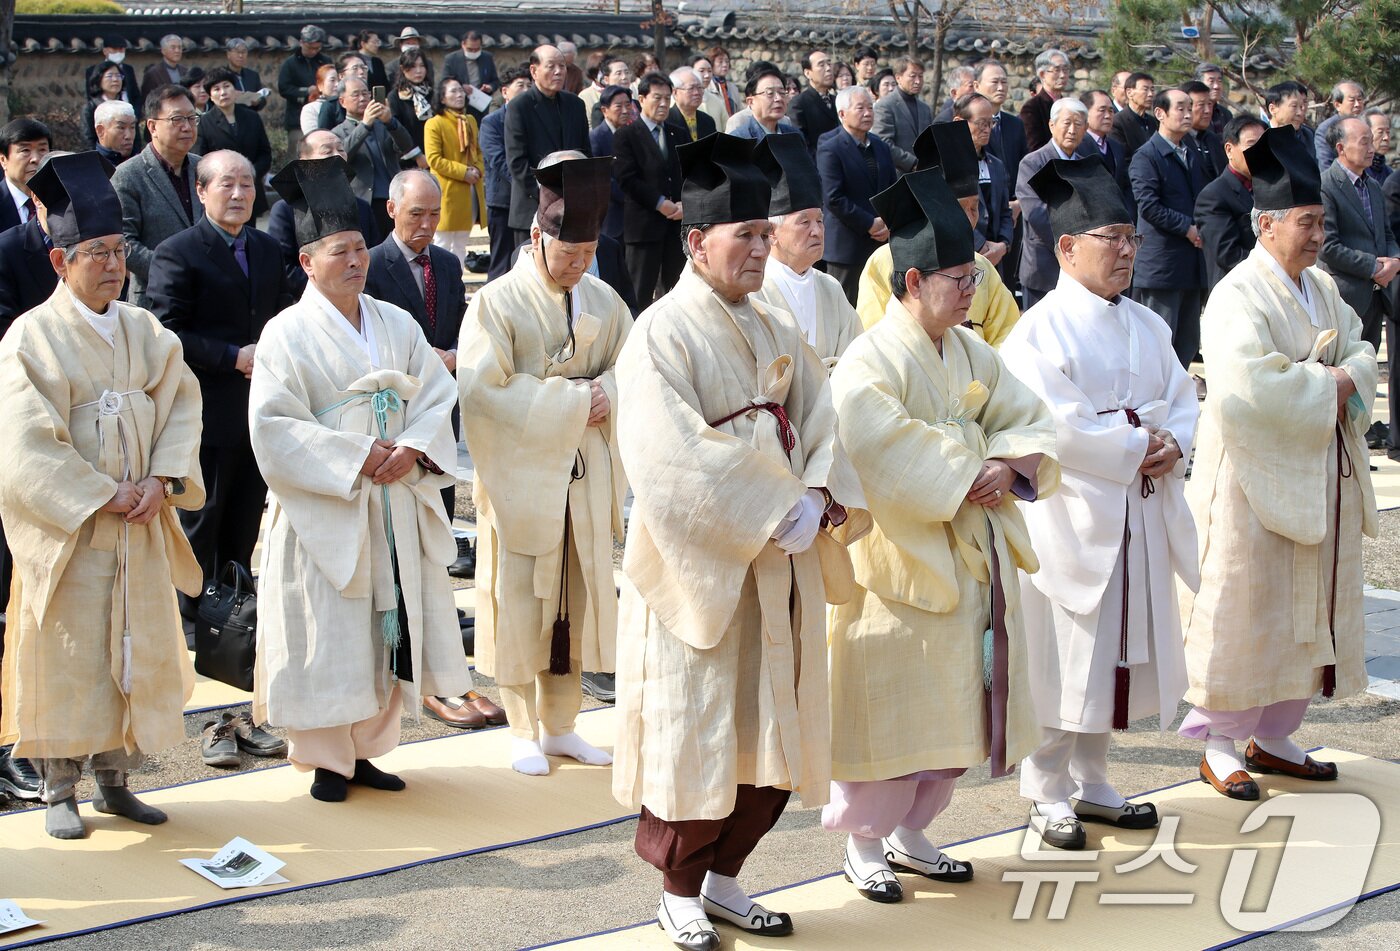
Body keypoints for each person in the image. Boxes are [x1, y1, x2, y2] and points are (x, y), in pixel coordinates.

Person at [612, 130, 868, 949]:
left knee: (771, 723)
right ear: (697, 241)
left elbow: (825, 410)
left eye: (766, 235)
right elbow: (668, 456)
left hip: (781, 554)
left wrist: (821, 489)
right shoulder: (660, 331)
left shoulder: (773, 320)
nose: (761, 250)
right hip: (706, 567)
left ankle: (727, 876)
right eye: (745, 237)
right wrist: (772, 507)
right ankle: (680, 886)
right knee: (702, 724)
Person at [825, 165, 1056, 905]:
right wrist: (970, 470)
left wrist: (1005, 464)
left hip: (969, 556)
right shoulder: (871, 359)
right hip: (896, 563)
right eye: (960, 278)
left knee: (958, 703)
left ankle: (916, 830)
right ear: (915, 279)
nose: (974, 291)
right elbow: (879, 445)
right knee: (891, 706)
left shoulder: (971, 350)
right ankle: (865, 841)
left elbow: (1029, 415)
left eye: (976, 276)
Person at [250, 155, 471, 803]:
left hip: (391, 496)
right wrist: (355, 457)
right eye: (339, 251)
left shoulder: (395, 322)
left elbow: (433, 393)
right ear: (309, 261)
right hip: (326, 503)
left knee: (387, 623)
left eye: (358, 249)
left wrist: (410, 448)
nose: (355, 261)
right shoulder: (284, 334)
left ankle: (370, 746)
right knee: (326, 626)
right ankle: (326, 757)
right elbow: (273, 426)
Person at [0, 150, 204, 839]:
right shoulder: (31, 337)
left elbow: (180, 403)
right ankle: (61, 784)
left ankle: (117, 777)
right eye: (96, 253)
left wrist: (161, 479)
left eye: (119, 251)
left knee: (133, 648)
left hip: (139, 520)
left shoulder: (144, 330)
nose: (114, 266)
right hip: (76, 532)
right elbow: (26, 445)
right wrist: (101, 494)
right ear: (61, 261)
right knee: (68, 651)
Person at [1001, 155, 1198, 851]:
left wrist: (1174, 439)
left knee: (1116, 652)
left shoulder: (1147, 322)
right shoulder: (1038, 331)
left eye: (1131, 239)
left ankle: (1095, 775)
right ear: (1066, 247)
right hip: (1072, 512)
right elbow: (1053, 424)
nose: (1125, 251)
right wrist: (1137, 437)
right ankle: (1046, 787)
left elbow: (1182, 396)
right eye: (1111, 237)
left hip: (1135, 505)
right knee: (1068, 652)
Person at [1179, 127, 1378, 800]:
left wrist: (1335, 377)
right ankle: (1222, 741)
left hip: (1315, 462)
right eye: (1307, 222)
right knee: (1245, 600)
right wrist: (1330, 382)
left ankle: (1278, 732)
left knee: (1306, 603)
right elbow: (1249, 384)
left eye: (1322, 222)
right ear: (1265, 224)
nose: (1318, 234)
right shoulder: (1238, 294)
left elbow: (1361, 348)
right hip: (1249, 476)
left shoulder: (1321, 286)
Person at [459, 154, 629, 772]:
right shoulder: (497, 303)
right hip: (521, 477)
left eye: (586, 254)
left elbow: (634, 367)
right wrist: (576, 400)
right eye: (566, 254)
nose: (577, 266)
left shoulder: (606, 301)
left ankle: (563, 723)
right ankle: (523, 727)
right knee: (521, 596)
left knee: (576, 593)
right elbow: (482, 392)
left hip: (582, 474)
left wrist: (613, 390)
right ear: (536, 237)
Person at [146, 150, 292, 628]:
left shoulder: (268, 249)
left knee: (247, 514)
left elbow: (285, 314)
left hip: (260, 408)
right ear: (202, 191)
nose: (238, 194)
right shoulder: (178, 251)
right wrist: (233, 356)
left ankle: (235, 607)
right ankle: (189, 613)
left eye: (246, 184)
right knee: (202, 516)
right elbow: (167, 331)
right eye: (226, 184)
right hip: (205, 409)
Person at [364, 166, 486, 597]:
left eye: (434, 214)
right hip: (393, 408)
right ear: (392, 209)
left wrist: (453, 354)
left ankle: (436, 596)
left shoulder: (449, 264)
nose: (428, 224)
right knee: (396, 510)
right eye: (417, 214)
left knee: (439, 500)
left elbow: (461, 323)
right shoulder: (372, 265)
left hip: (440, 404)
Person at [855, 121, 1022, 347]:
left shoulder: (982, 268)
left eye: (974, 208)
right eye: (957, 208)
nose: (967, 219)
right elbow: (874, 338)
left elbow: (1008, 339)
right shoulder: (884, 262)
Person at [1319, 116, 1399, 452]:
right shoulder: (1326, 185)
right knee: (1339, 372)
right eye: (1363, 141)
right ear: (1340, 147)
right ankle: (1333, 440)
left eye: (1371, 140)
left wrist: (1393, 260)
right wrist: (1372, 266)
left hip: (1376, 293)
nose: (1371, 147)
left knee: (1364, 369)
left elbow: (1388, 234)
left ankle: (1357, 438)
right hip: (1345, 293)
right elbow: (1328, 244)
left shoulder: (1374, 186)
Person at [754, 132, 862, 366]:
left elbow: (858, 357)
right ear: (772, 232)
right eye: (805, 222)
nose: (817, 231)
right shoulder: (754, 291)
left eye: (820, 221)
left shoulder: (830, 287)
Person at [1130, 88, 1209, 367]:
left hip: (1191, 261)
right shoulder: (1147, 156)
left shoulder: (1193, 153)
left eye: (1190, 107)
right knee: (1157, 340)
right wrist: (1187, 227)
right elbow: (1148, 206)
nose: (1188, 114)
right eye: (1181, 108)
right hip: (1162, 264)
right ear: (1160, 114)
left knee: (1186, 342)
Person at [112, 86, 203, 309]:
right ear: (152, 126)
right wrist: (173, 269)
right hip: (155, 298)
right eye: (177, 119)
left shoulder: (204, 167)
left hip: (206, 294)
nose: (187, 127)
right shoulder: (128, 175)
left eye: (192, 118)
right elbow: (123, 242)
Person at [267, 130, 380, 296]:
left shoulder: (361, 207)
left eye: (341, 150)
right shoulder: (285, 210)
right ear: (304, 160)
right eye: (327, 151)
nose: (337, 156)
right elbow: (284, 268)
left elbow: (373, 255)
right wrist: (332, 288)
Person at [504, 45, 592, 249]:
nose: (559, 71)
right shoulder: (519, 107)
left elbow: (585, 153)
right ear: (534, 71)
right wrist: (549, 194)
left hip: (572, 204)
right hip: (532, 203)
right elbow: (517, 163)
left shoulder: (575, 105)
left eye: (562, 66)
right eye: (551, 66)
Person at [817, 85, 895, 304]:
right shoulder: (831, 148)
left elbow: (892, 188)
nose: (868, 113)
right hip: (847, 246)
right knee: (845, 309)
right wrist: (869, 223)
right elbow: (833, 197)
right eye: (860, 108)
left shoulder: (880, 146)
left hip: (881, 242)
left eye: (870, 107)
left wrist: (888, 221)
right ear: (842, 114)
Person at [614, 74, 687, 306]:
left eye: (668, 98)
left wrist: (685, 203)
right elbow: (626, 179)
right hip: (643, 225)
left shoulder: (678, 133)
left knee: (677, 289)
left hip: (676, 224)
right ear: (642, 99)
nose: (664, 104)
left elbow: (689, 173)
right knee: (640, 291)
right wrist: (659, 203)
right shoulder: (626, 135)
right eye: (657, 98)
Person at [1017, 98, 1088, 309]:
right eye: (1067, 123)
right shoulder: (1033, 163)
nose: (1072, 130)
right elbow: (1036, 213)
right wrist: (1072, 246)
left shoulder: (1086, 165)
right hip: (1044, 263)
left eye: (1078, 124)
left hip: (1081, 265)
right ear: (1051, 125)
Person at [334, 77, 421, 238]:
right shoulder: (338, 132)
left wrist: (391, 122)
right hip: (364, 201)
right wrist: (364, 125)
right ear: (342, 101)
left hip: (393, 197)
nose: (362, 98)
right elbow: (342, 157)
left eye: (365, 94)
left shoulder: (384, 125)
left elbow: (407, 145)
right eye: (355, 95)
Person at [1195, 114, 1267, 290]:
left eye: (1263, 145)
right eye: (1251, 145)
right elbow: (1228, 255)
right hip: (1237, 289)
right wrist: (1273, 267)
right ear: (1229, 149)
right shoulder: (1213, 195)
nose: (1259, 152)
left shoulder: (1269, 187)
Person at [423, 77, 487, 261]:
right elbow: (434, 159)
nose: (459, 94)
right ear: (442, 98)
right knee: (442, 242)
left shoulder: (470, 120)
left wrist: (477, 169)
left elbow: (479, 152)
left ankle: (457, 286)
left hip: (470, 191)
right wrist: (463, 172)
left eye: (460, 90)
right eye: (453, 91)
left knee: (461, 244)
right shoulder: (435, 123)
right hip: (448, 191)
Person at [196, 67, 273, 219]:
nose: (223, 92)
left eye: (226, 86)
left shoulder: (252, 118)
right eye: (216, 89)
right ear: (210, 96)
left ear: (235, 89)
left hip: (250, 185)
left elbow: (265, 153)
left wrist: (251, 174)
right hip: (221, 191)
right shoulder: (204, 123)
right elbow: (200, 160)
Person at [481, 66, 531, 282]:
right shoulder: (491, 122)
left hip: (529, 201)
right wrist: (527, 182)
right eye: (520, 86)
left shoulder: (532, 119)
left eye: (529, 86)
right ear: (504, 92)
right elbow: (499, 161)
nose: (526, 90)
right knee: (501, 261)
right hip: (503, 201)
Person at [956, 93, 1012, 269]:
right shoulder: (946, 166)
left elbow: (1005, 211)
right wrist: (981, 245)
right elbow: (949, 214)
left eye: (991, 123)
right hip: (962, 260)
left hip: (996, 258)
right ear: (959, 123)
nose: (987, 129)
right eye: (981, 123)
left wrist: (1003, 245)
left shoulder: (996, 164)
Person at [0, 162, 58, 333]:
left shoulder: (96, 245)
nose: (71, 207)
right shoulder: (6, 250)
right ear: (37, 199)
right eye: (61, 197)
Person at [1079, 89, 1135, 220]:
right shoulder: (1077, 146)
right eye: (1102, 110)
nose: (1108, 116)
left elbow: (1125, 186)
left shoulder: (1117, 147)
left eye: (1111, 111)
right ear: (1085, 113)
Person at [277, 25, 331, 159]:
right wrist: (305, 91)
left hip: (323, 113)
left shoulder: (325, 61)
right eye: (310, 47)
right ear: (302, 43)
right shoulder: (290, 63)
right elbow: (284, 88)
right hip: (297, 117)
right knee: (297, 156)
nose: (313, 51)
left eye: (317, 48)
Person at [590, 84, 634, 244]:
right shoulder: (596, 138)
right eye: (618, 106)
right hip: (611, 216)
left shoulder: (633, 134)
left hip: (635, 216)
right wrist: (631, 197)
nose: (624, 110)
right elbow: (600, 179)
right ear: (604, 110)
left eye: (628, 105)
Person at [872, 57, 930, 173]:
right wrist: (912, 163)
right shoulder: (885, 106)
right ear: (898, 78)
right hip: (897, 175)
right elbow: (883, 142)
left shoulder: (925, 108)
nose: (918, 81)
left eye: (921, 76)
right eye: (913, 76)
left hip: (925, 173)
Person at [0, 118, 50, 234]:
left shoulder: (62, 201)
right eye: (25, 150)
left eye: (42, 149)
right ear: (3, 160)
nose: (36, 159)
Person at [1020, 49, 1072, 152]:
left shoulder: (1070, 105)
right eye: (1057, 70)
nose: (1062, 75)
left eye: (1065, 69)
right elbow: (1034, 147)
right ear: (1042, 74)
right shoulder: (1032, 108)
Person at [788, 50, 839, 155]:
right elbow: (801, 144)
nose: (828, 68)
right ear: (807, 73)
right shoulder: (799, 104)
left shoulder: (838, 100)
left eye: (829, 64)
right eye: (821, 65)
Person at [729, 67, 800, 140]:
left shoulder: (795, 135)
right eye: (770, 93)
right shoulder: (738, 138)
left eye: (781, 92)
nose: (778, 98)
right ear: (751, 102)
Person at [1315, 82, 1368, 173]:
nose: (1357, 104)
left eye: (1359, 99)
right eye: (1352, 100)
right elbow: (1325, 165)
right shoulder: (1326, 129)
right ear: (1337, 105)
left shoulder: (1367, 124)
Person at [1110, 72, 1158, 164]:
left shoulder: (1153, 122)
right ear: (1129, 93)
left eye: (1152, 89)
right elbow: (1122, 159)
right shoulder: (1117, 122)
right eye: (1145, 89)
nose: (1150, 94)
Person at [84, 38, 140, 115]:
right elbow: (91, 95)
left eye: (121, 50)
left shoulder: (128, 69)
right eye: (114, 49)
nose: (118, 52)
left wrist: (135, 114)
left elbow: (135, 95)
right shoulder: (93, 70)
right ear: (105, 51)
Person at [1184, 81, 1226, 181]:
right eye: (1201, 105)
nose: (1207, 110)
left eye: (1209, 104)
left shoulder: (1213, 139)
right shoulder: (1178, 142)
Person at [82, 62, 129, 151]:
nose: (115, 79)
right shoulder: (90, 108)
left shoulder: (127, 107)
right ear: (99, 79)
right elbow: (88, 140)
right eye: (110, 76)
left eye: (118, 76)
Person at [443, 31, 500, 100]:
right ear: (463, 44)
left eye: (477, 49)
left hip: (481, 101)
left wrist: (490, 87)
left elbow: (495, 81)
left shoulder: (487, 57)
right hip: (459, 100)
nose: (473, 52)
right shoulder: (451, 59)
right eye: (470, 49)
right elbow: (445, 81)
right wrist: (461, 86)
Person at [668, 67, 717, 143]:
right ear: (675, 92)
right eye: (691, 88)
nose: (696, 93)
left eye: (699, 88)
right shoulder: (667, 120)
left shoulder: (708, 121)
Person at [1265, 81, 1315, 154]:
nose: (1300, 113)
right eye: (1294, 106)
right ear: (1273, 109)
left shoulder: (1310, 136)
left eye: (1301, 106)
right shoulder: (1259, 136)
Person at [223, 38, 269, 111]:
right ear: (228, 54)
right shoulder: (221, 76)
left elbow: (262, 99)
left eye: (244, 52)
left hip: (250, 117)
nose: (241, 55)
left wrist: (258, 101)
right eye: (237, 52)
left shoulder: (253, 75)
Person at [140, 34, 188, 99]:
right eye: (173, 48)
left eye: (179, 47)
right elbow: (147, 98)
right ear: (163, 50)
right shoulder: (153, 73)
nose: (177, 51)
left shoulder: (185, 71)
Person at [92, 101, 138, 167]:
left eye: (132, 127)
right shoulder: (89, 168)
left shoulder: (143, 165)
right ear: (100, 131)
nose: (129, 136)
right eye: (121, 128)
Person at [706, 45, 745, 119]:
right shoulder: (707, 87)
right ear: (711, 64)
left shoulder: (732, 87)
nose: (725, 65)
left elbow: (739, 110)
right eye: (720, 62)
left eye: (727, 61)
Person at [301, 65, 341, 135]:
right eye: (332, 80)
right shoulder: (310, 109)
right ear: (320, 85)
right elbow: (312, 137)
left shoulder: (347, 105)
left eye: (340, 80)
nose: (337, 84)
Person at [1197, 63, 1232, 136]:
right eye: (1211, 81)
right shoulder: (1192, 113)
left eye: (1219, 81)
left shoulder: (1226, 114)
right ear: (1198, 83)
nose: (1216, 86)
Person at [1365, 109, 1392, 184]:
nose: (1386, 137)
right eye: (1380, 132)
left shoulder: (1390, 174)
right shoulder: (1356, 171)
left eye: (1388, 132)